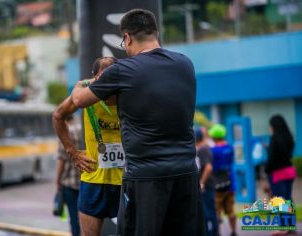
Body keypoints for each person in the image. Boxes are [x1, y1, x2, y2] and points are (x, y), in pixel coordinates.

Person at [63, 9, 204, 236]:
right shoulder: (185, 64)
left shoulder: (123, 70)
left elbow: (79, 100)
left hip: (146, 178)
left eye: (123, 43)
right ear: (155, 33)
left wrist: (80, 85)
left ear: (127, 37)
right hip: (186, 174)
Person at [53, 57, 123, 236]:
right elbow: (58, 116)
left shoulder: (128, 93)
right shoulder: (86, 94)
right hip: (94, 179)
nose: (107, 82)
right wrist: (73, 153)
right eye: (102, 77)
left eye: (111, 75)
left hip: (126, 180)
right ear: (94, 77)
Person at [265, 114, 296, 235]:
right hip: (289, 172)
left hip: (278, 174)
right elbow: (285, 154)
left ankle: (284, 228)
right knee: (288, 199)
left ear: (273, 126)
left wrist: (267, 171)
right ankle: (290, 226)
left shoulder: (274, 138)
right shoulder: (288, 137)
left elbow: (272, 158)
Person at [208, 124, 236, 236]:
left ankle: (217, 232)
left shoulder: (213, 150)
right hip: (230, 183)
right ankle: (234, 232)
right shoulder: (230, 148)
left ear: (214, 137)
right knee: (231, 210)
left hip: (217, 184)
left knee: (217, 210)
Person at [55, 116, 81, 236]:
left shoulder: (64, 134)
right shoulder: (82, 130)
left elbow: (61, 161)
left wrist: (57, 180)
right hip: (85, 181)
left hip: (69, 183)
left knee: (74, 218)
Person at [195, 128, 218, 236]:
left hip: (207, 187)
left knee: (209, 214)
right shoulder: (200, 148)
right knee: (207, 213)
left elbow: (208, 167)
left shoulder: (203, 149)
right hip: (205, 187)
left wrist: (202, 183)